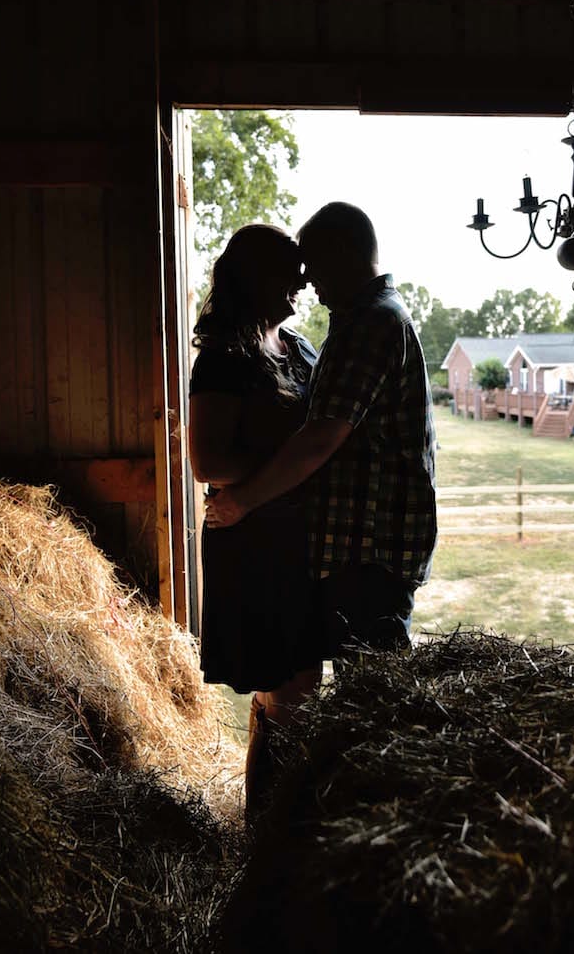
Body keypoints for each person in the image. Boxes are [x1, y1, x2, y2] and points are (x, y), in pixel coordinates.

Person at [206, 201, 437, 662]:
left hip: (369, 551)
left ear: (343, 253)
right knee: (360, 691)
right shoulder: (364, 320)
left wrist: (241, 500)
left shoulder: (371, 323)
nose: (307, 279)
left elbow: (322, 437)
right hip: (362, 548)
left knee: (371, 696)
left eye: (312, 263)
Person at [188, 224, 321, 815]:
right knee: (289, 694)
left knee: (293, 687)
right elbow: (208, 460)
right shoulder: (224, 359)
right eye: (289, 270)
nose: (302, 281)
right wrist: (292, 470)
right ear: (254, 277)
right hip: (254, 544)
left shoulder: (298, 348)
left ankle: (268, 823)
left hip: (298, 541)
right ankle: (271, 831)